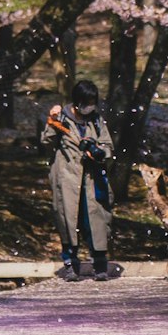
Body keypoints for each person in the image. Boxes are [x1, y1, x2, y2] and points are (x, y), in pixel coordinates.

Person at [41, 79, 115, 281]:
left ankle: (100, 264)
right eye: (86, 101)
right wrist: (52, 122)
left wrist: (98, 152)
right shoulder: (61, 119)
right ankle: (70, 264)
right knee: (68, 219)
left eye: (93, 101)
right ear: (77, 101)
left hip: (92, 180)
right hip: (67, 179)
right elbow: (47, 143)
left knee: (96, 220)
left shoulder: (97, 121)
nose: (89, 106)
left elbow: (108, 146)